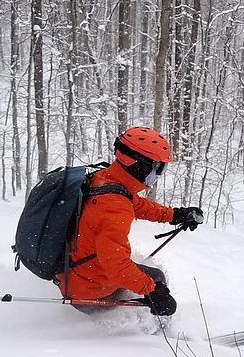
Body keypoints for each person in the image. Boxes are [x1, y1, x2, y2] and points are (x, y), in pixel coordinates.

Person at [55, 126, 203, 317]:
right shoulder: (113, 207)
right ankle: (153, 337)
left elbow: (138, 205)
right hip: (90, 289)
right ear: (139, 165)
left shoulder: (104, 180)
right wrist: (153, 291)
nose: (156, 176)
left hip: (74, 271)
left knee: (148, 279)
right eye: (157, 168)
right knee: (156, 279)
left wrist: (176, 215)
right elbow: (116, 266)